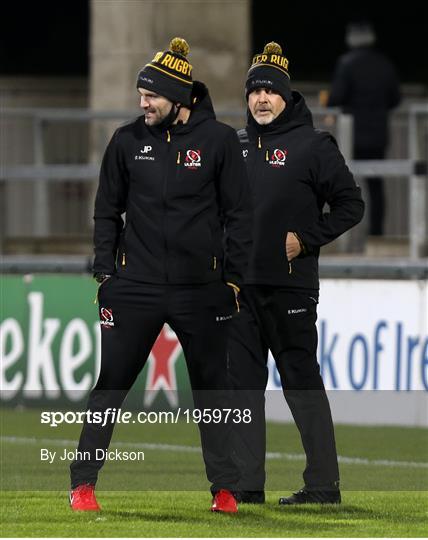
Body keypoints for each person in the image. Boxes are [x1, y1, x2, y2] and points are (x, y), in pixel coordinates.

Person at [69, 37, 252, 513]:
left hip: (202, 291)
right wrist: (105, 273)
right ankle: (82, 484)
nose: (142, 103)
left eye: (151, 95)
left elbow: (240, 215)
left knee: (214, 389)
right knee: (110, 383)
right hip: (135, 288)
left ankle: (226, 489)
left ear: (180, 98)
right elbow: (106, 210)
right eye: (140, 94)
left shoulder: (220, 142)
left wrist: (232, 281)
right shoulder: (126, 141)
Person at [228, 42, 364, 505]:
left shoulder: (313, 145)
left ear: (287, 97)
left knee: (301, 386)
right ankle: (247, 488)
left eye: (270, 90)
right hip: (239, 292)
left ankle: (323, 486)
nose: (261, 99)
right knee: (243, 391)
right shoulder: (234, 146)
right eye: (254, 91)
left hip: (290, 288)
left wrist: (306, 240)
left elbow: (351, 204)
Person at [326, 21, 401, 236]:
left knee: (345, 186)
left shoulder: (346, 64)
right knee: (376, 185)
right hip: (378, 133)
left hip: (352, 135)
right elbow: (395, 98)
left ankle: (345, 234)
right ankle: (376, 233)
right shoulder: (384, 64)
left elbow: (336, 97)